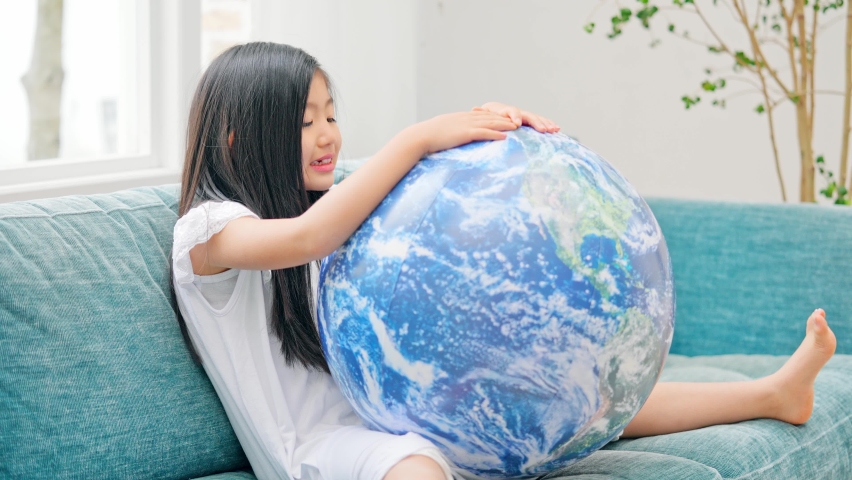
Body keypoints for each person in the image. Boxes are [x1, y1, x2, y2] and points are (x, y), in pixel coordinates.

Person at [170, 42, 837, 480]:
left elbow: (392, 222)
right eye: (305, 120)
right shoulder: (208, 232)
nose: (328, 135)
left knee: (585, 399)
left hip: (393, 410)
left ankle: (772, 393)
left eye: (331, 115)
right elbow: (307, 239)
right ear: (237, 137)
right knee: (417, 467)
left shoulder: (318, 208)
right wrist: (418, 136)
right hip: (320, 452)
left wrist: (491, 141)